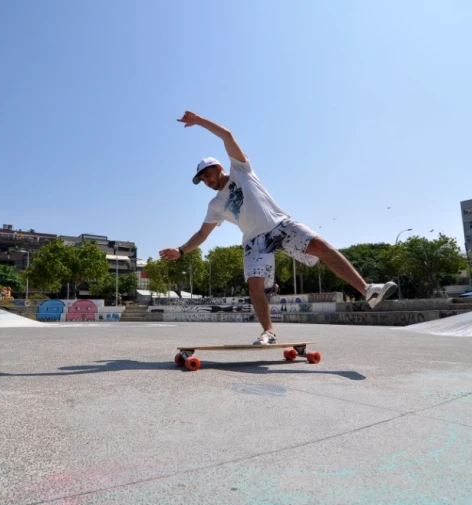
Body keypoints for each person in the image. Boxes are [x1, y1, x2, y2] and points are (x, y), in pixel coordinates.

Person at [159, 111, 397, 345]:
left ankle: (367, 290)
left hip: (280, 224)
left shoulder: (240, 170)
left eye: (208, 175)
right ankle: (269, 332)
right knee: (254, 286)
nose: (208, 181)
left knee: (322, 247)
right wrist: (181, 251)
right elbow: (202, 234)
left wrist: (199, 121)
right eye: (203, 180)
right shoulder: (215, 205)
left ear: (219, 167)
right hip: (255, 241)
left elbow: (227, 135)